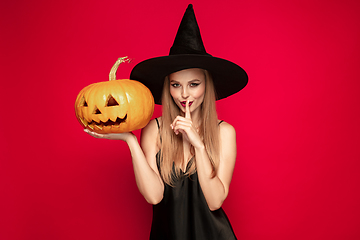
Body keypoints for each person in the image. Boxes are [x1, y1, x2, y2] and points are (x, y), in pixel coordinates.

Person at [85, 4, 248, 240]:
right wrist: (131, 141)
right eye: (175, 85)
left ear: (207, 86)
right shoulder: (156, 128)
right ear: (167, 87)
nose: (184, 94)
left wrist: (198, 145)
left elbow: (214, 201)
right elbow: (154, 196)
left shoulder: (224, 132)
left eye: (194, 84)